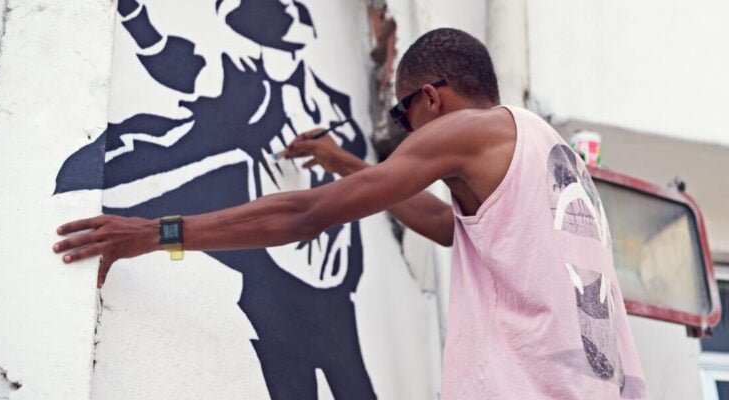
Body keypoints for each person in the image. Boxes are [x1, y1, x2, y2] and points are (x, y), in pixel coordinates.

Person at [54, 28, 647, 399]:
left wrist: (159, 232)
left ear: (431, 98)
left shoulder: (465, 131)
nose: (406, 134)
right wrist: (344, 160)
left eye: (402, 117)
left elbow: (310, 213)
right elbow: (448, 228)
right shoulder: (550, 154)